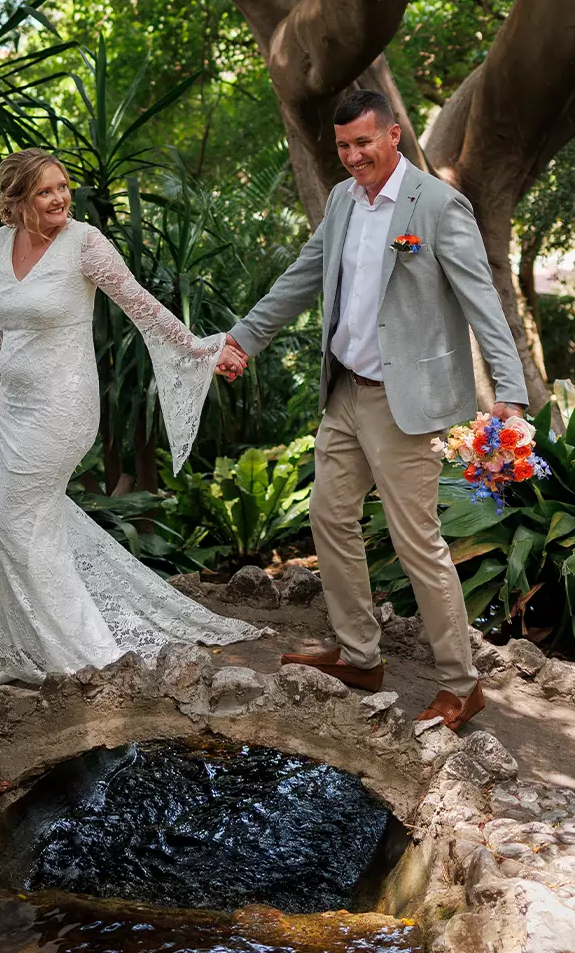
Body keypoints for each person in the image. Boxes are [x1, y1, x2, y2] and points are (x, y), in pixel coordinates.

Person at [225, 90, 528, 731]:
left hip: (404, 402)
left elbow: (483, 299)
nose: (352, 156)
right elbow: (302, 277)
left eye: (363, 143)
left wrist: (511, 392)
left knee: (416, 540)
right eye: (342, 147)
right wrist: (244, 339)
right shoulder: (339, 202)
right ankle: (360, 654)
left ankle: (460, 682)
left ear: (393, 134)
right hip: (344, 391)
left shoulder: (439, 205)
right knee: (328, 515)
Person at [0, 149, 258, 687]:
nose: (61, 197)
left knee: (19, 524)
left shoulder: (84, 243)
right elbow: (3, 329)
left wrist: (206, 350)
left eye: (63, 186)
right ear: (17, 200)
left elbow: (145, 308)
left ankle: (89, 660)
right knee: (1, 522)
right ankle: (33, 653)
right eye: (46, 191)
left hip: (62, 408)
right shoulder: (1, 244)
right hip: (12, 413)